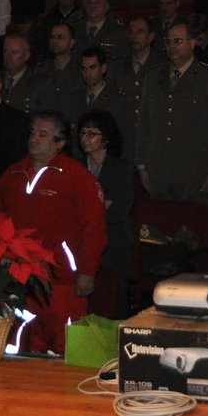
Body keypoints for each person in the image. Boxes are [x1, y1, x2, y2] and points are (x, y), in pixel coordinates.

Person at [0, 112, 107, 355]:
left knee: (63, 347)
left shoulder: (77, 177)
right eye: (32, 133)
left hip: (62, 278)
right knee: (18, 345)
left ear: (60, 142)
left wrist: (87, 271)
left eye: (42, 134)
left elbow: (94, 227)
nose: (34, 139)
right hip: (18, 278)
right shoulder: (13, 174)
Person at [133, 21, 208, 205]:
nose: (172, 47)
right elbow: (143, 122)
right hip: (158, 170)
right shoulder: (154, 76)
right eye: (169, 42)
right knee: (158, 228)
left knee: (192, 229)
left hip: (194, 172)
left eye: (178, 41)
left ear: (192, 42)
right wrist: (141, 165)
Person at [77, 108, 135, 319]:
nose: (85, 139)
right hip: (81, 241)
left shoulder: (122, 168)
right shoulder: (75, 167)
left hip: (114, 240)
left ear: (106, 138)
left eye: (92, 134)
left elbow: (119, 209)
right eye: (83, 133)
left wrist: (90, 212)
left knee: (113, 299)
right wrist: (100, 206)